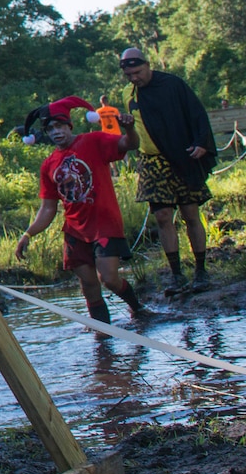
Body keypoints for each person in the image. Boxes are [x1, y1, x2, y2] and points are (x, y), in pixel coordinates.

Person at [14, 97, 147, 326]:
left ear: (69, 126)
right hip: (75, 231)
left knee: (109, 279)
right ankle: (103, 336)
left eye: (59, 126)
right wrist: (28, 234)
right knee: (88, 286)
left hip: (104, 224)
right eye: (50, 129)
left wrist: (129, 127)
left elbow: (130, 144)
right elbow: (48, 208)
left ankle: (138, 310)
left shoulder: (93, 141)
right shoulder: (49, 165)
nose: (56, 132)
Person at [119, 46, 216, 292]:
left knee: (190, 213)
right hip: (152, 160)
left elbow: (196, 114)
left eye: (138, 72)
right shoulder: (129, 95)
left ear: (148, 65)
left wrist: (201, 143)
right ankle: (176, 274)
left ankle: (201, 270)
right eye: (129, 75)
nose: (134, 78)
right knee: (162, 216)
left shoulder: (173, 85)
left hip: (181, 156)